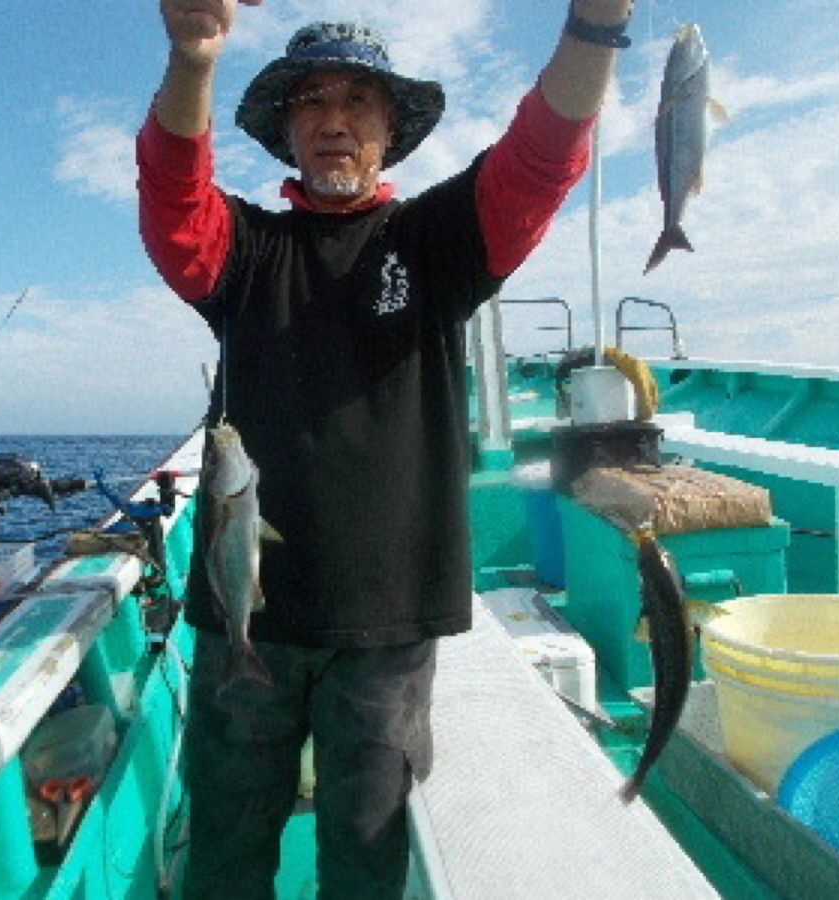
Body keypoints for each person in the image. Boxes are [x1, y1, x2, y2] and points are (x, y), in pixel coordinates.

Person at [136, 2, 634, 896]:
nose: (334, 120)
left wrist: (595, 23)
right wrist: (192, 60)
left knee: (366, 863)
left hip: (390, 627)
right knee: (223, 857)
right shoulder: (244, 251)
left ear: (390, 130)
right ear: (286, 132)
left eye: (360, 101)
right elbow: (173, 191)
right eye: (312, 102)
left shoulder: (437, 242)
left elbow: (545, 152)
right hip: (246, 621)